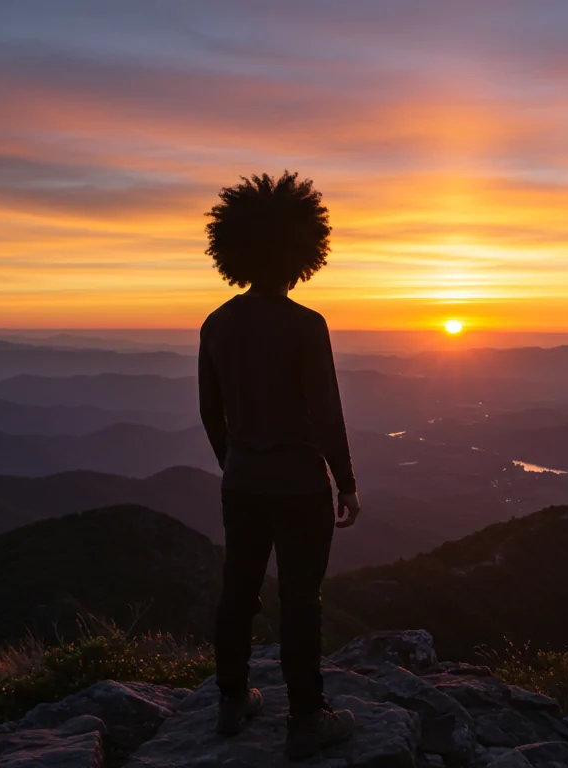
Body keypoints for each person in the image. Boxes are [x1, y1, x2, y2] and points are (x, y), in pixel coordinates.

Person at [197, 171, 361, 758]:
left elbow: (209, 414)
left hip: (242, 483)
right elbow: (326, 413)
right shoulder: (305, 326)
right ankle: (306, 718)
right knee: (300, 599)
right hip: (299, 488)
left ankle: (232, 700)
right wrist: (345, 482)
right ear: (302, 254)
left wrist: (236, 463)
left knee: (238, 590)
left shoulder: (216, 324)